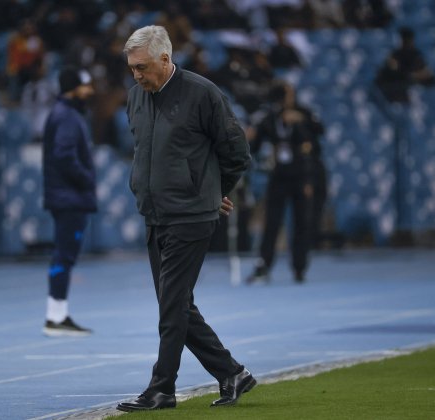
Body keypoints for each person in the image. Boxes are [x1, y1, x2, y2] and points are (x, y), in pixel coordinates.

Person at [117, 25, 255, 412]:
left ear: (165, 59)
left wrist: (213, 193)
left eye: (142, 67)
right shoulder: (135, 98)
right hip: (155, 214)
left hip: (191, 216)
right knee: (175, 304)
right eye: (131, 68)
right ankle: (232, 373)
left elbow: (237, 153)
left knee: (172, 304)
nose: (136, 75)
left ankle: (162, 388)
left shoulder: (203, 93)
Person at [246, 82, 325, 284]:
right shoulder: (270, 118)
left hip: (302, 174)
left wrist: (302, 119)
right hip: (279, 175)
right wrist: (248, 137)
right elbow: (254, 145)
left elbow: (319, 133)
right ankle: (264, 265)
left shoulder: (303, 113)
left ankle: (299, 268)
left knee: (301, 223)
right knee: (271, 222)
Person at [41, 65, 96, 337]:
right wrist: (86, 178)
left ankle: (57, 314)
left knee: (64, 255)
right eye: (86, 86)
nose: (90, 91)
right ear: (73, 88)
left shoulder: (67, 114)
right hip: (69, 197)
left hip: (66, 195)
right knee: (64, 255)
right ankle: (56, 316)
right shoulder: (67, 117)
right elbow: (64, 155)